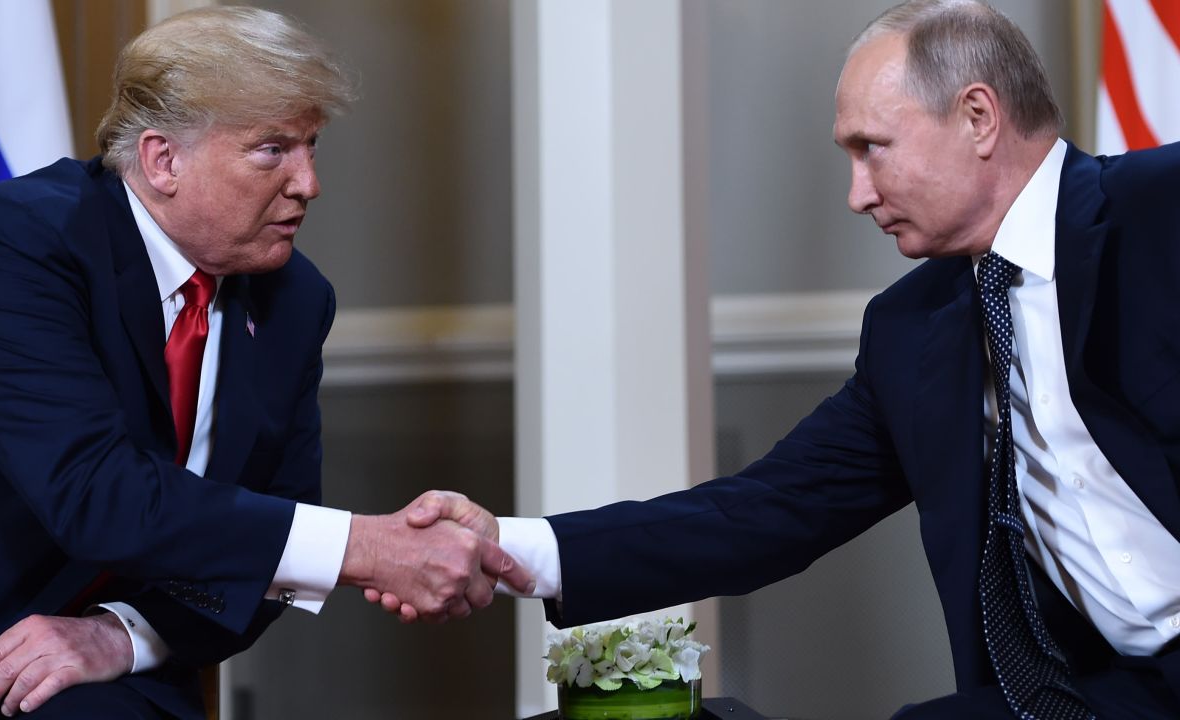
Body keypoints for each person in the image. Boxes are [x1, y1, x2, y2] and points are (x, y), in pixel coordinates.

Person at [395, 0, 1180, 717]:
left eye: (872, 149)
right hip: (1109, 691)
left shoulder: (1160, 211)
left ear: (978, 116)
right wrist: (511, 548)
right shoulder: (914, 328)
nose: (856, 194)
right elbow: (764, 512)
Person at [0, 7, 530, 720]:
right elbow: (97, 494)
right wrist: (366, 547)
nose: (309, 183)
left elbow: (273, 536)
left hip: (136, 675)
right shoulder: (11, 247)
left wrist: (127, 635)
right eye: (273, 150)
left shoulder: (294, 298)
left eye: (312, 146)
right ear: (163, 160)